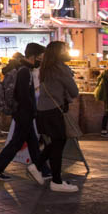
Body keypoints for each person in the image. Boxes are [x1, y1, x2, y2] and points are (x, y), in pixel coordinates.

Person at [0, 43, 49, 184]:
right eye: (40, 57)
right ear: (33, 56)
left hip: (24, 113)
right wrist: (32, 110)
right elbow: (23, 95)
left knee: (32, 143)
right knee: (16, 143)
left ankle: (43, 170)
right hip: (24, 113)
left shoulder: (23, 70)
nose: (41, 60)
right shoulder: (24, 72)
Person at [36, 41, 80, 192]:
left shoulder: (45, 69)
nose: (68, 51)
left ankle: (37, 166)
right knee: (58, 143)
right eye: (65, 49)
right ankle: (56, 181)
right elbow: (74, 91)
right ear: (58, 53)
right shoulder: (61, 69)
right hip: (55, 110)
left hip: (42, 111)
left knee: (54, 143)